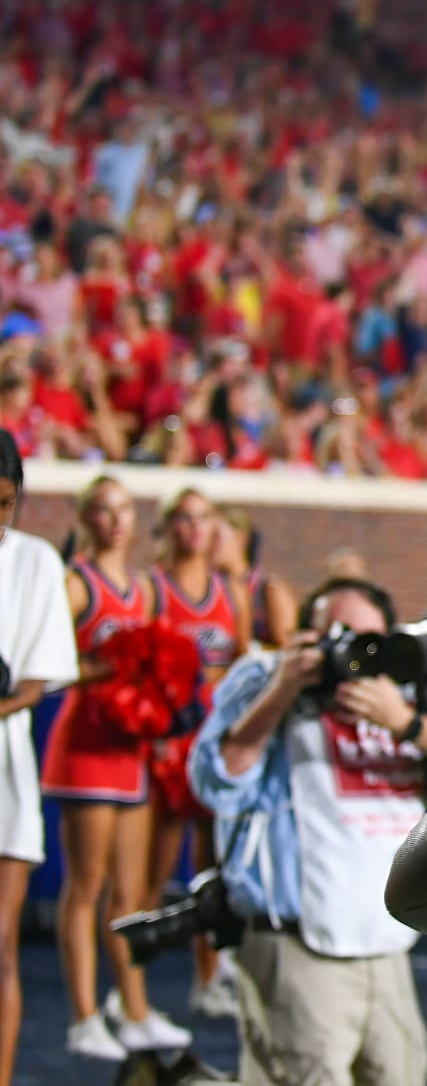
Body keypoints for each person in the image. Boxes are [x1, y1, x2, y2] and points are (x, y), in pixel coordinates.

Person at [187, 577, 427, 1086]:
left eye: (367, 637)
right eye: (336, 633)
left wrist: (406, 722)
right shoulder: (263, 676)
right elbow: (216, 780)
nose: (353, 651)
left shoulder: (406, 689)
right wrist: (282, 689)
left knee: (402, 1074)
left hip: (388, 941)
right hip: (297, 944)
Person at [42, 477, 191, 1059]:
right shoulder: (76, 583)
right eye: (102, 511)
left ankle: (131, 1007)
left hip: (133, 745)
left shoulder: (147, 588)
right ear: (86, 518)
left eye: (124, 509)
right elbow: (47, 666)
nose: (115, 520)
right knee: (87, 887)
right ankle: (83, 1015)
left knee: (131, 892)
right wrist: (103, 667)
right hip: (86, 744)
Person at [0, 430, 82, 1086]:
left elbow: (38, 679)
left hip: (7, 780)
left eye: (4, 503)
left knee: (0, 949)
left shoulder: (34, 563)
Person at [148, 487, 249, 1016]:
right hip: (169, 736)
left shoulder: (230, 589)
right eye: (182, 518)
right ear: (168, 527)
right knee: (156, 864)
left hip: (214, 737)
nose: (193, 528)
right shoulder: (153, 587)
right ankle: (132, 991)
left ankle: (209, 977)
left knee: (214, 864)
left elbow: (245, 664)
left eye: (202, 518)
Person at [214, 505, 297, 651]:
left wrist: (250, 650)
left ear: (240, 537)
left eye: (215, 536)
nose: (207, 544)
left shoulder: (268, 589)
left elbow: (288, 647)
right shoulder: (214, 590)